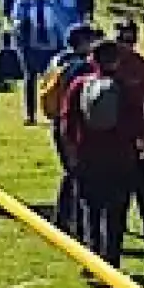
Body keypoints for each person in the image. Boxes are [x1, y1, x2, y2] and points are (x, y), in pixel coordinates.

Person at [62, 39, 144, 268]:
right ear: (117, 61)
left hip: (87, 156)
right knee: (116, 213)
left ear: (92, 59)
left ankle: (92, 260)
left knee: (91, 210)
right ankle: (112, 261)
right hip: (121, 159)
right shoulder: (129, 87)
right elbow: (138, 123)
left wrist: (72, 152)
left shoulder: (79, 85)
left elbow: (68, 121)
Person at [44, 23, 96, 234]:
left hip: (58, 122)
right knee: (79, 174)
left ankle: (62, 218)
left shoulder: (58, 61)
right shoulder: (82, 67)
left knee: (71, 172)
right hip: (75, 126)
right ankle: (76, 223)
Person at [116, 18, 144, 239]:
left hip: (134, 135)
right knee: (119, 186)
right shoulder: (106, 64)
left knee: (142, 183)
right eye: (122, 39)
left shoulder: (142, 68)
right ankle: (119, 224)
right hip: (113, 136)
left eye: (129, 40)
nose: (126, 45)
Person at [12, 0, 66, 124]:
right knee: (30, 79)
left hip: (52, 46)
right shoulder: (22, 3)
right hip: (30, 47)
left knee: (53, 80)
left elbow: (60, 24)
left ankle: (54, 111)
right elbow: (16, 22)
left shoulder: (52, 2)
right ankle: (30, 115)